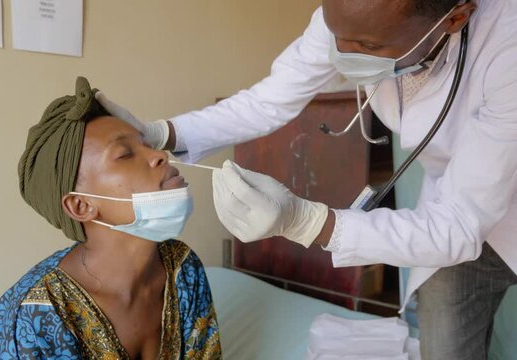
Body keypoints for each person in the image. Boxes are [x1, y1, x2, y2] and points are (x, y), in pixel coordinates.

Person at [95, 0, 517, 358]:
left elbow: (459, 224)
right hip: (450, 207)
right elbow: (268, 101)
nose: (344, 52)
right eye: (337, 36)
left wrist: (307, 222)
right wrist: (166, 134)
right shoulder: (348, 16)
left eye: (368, 46)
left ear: (455, 19)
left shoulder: (506, 46)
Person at [0, 77, 221, 360]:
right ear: (80, 205)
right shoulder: (36, 315)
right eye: (125, 154)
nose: (159, 155)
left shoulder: (183, 270)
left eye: (147, 144)